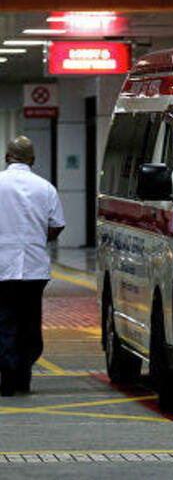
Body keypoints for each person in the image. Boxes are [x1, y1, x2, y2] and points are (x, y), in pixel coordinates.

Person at [0, 136, 65, 396]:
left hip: (2, 266)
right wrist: (37, 238)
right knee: (29, 321)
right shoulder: (45, 188)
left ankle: (7, 377)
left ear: (7, 157)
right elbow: (57, 224)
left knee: (4, 321)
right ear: (33, 160)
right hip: (34, 268)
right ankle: (23, 376)